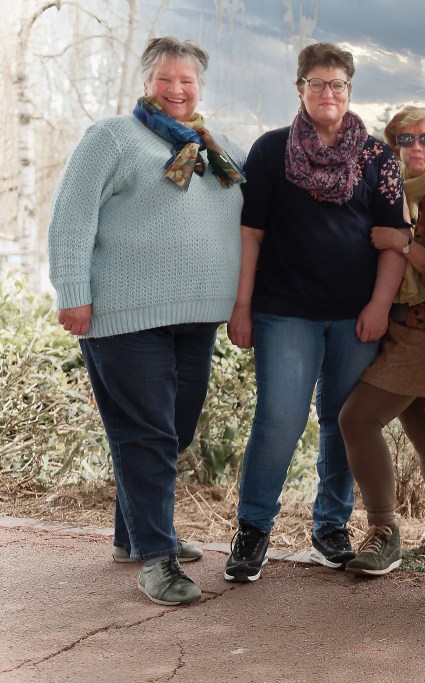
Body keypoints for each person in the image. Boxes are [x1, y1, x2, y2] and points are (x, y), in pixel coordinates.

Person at [48, 37, 245, 605]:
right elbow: (72, 216)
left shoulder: (221, 148)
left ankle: (130, 535)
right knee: (148, 432)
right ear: (146, 82)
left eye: (187, 81)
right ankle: (158, 559)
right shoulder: (111, 137)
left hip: (198, 315)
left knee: (175, 430)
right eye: (165, 78)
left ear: (200, 87)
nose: (176, 90)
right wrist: (73, 293)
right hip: (122, 313)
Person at [223, 43, 406, 583]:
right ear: (300, 87)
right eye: (318, 83)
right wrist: (242, 306)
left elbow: (395, 240)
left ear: (350, 90)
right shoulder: (271, 150)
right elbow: (251, 234)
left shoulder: (377, 157)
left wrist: (379, 305)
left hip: (356, 316)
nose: (329, 92)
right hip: (285, 312)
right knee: (279, 419)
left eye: (338, 84)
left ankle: (331, 528)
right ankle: (253, 529)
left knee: (342, 422)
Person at [339, 106, 425, 576]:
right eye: (406, 139)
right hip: (405, 328)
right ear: (393, 146)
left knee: (357, 419)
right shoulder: (392, 193)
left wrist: (402, 244)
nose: (417, 147)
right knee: (424, 427)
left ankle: (384, 532)